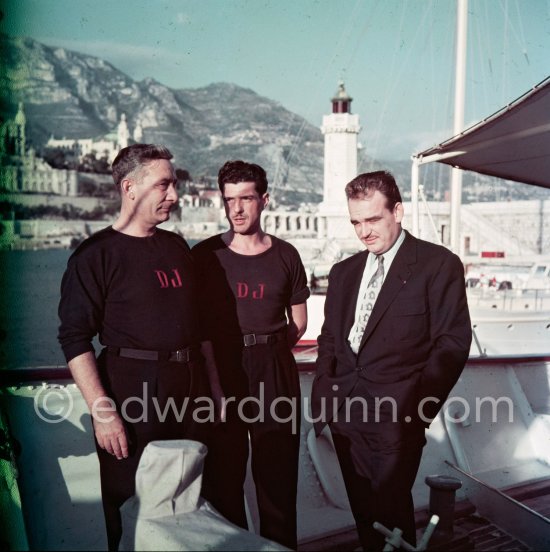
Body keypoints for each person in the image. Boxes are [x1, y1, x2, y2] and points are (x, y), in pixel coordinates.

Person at [58, 144, 212, 551]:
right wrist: (102, 411)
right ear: (130, 187)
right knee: (132, 511)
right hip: (132, 393)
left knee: (188, 508)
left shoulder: (177, 247)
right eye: (163, 184)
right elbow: (74, 337)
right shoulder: (95, 256)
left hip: (189, 391)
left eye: (173, 184)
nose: (174, 195)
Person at [311, 171, 472, 551]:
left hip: (397, 415)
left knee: (392, 514)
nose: (364, 231)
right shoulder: (343, 273)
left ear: (397, 211)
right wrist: (323, 386)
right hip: (344, 412)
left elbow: (452, 344)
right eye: (356, 222)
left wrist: (415, 410)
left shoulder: (438, 265)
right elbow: (330, 338)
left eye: (373, 219)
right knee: (364, 514)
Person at [192, 160, 309, 549]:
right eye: (229, 200)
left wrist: (268, 351)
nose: (237, 209)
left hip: (275, 369)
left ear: (264, 200)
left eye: (246, 198)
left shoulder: (287, 256)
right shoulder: (206, 256)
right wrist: (218, 379)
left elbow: (299, 323)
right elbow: (199, 328)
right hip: (221, 371)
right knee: (224, 478)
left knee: (276, 478)